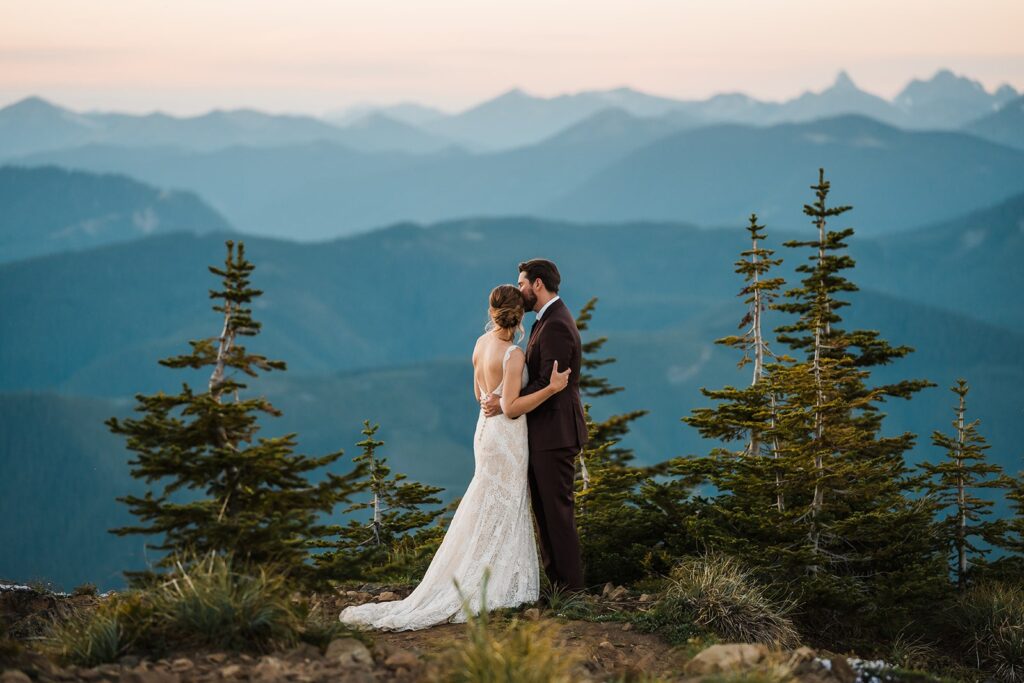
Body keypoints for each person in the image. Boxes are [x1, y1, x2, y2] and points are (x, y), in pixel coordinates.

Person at [338, 284, 570, 631]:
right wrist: (551, 389)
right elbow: (510, 408)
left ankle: (477, 576)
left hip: (484, 432)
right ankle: (497, 585)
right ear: (519, 315)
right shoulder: (513, 354)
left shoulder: (480, 345)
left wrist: (492, 399)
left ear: (492, 312)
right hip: (506, 436)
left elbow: (479, 393)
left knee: (487, 502)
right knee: (504, 505)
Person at [482, 258, 589, 595]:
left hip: (555, 435)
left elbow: (548, 381)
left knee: (556, 514)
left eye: (523, 283)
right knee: (546, 513)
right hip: (545, 433)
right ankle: (558, 587)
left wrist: (505, 400)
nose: (520, 289)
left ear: (538, 284)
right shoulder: (548, 320)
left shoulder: (555, 324)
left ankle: (571, 591)